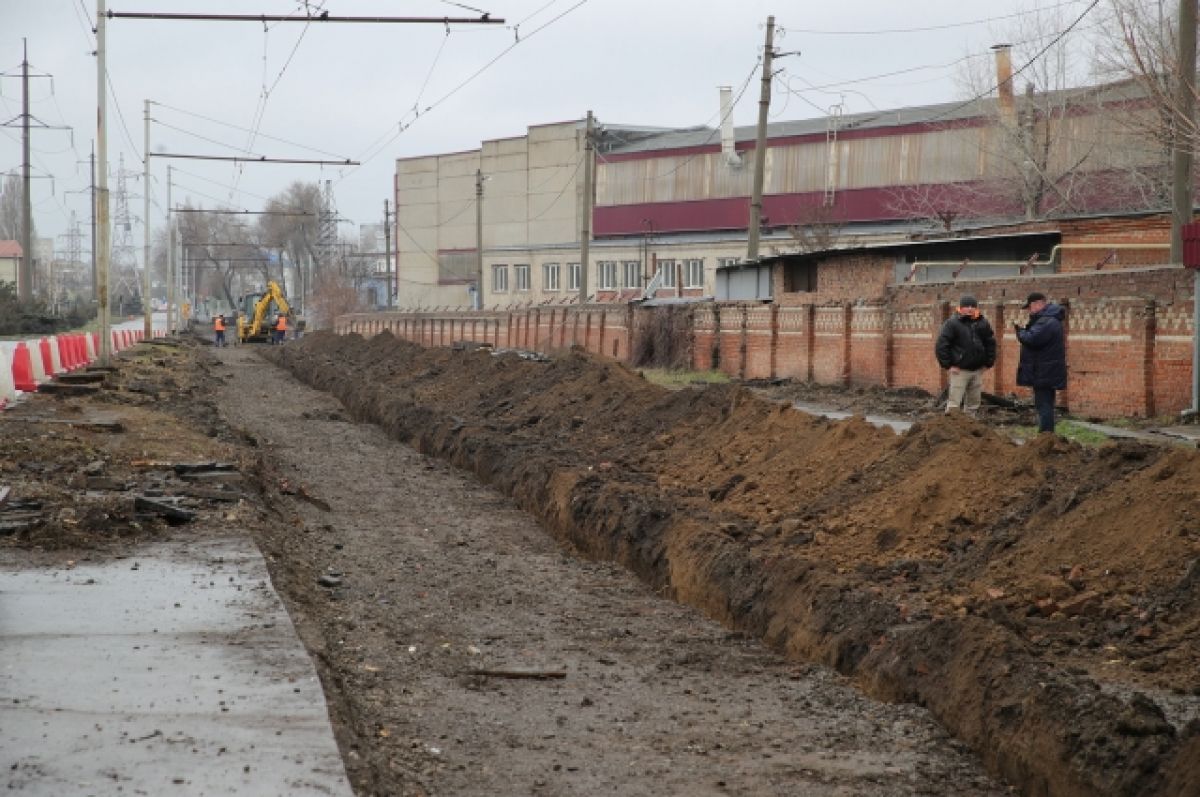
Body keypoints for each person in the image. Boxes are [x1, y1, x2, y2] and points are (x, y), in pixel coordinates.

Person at [1014, 291, 1067, 434]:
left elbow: (1032, 339)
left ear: (1037, 304)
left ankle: (1046, 435)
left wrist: (1020, 331)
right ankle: (1047, 434)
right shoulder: (1051, 319)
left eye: (1030, 307)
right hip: (1048, 370)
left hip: (1044, 372)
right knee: (1047, 403)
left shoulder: (1046, 321)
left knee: (1043, 404)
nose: (1029, 311)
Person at [935, 295, 996, 415]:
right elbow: (941, 345)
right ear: (960, 308)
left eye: (973, 306)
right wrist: (948, 365)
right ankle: (949, 427)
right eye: (967, 306)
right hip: (959, 370)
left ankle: (968, 428)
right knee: (954, 402)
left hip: (977, 370)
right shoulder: (952, 323)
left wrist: (988, 362)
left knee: (973, 403)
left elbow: (990, 343)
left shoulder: (982, 323)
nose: (970, 308)